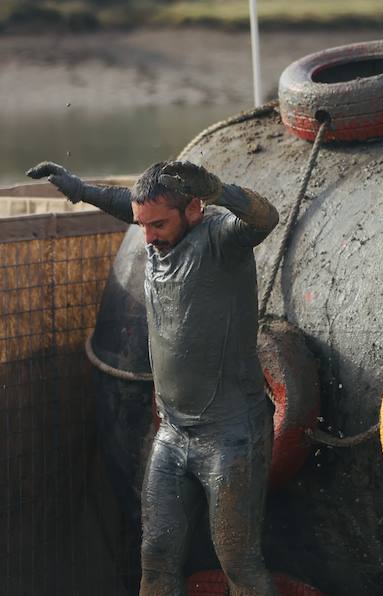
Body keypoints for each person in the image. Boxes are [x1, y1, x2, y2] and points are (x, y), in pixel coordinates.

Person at [28, 160, 280, 595]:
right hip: (174, 434)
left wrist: (220, 190)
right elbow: (129, 207)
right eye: (143, 225)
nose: (147, 236)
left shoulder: (220, 237)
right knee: (157, 559)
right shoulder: (155, 233)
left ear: (194, 210)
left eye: (158, 224)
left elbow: (265, 217)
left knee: (240, 561)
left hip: (231, 436)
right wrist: (78, 188)